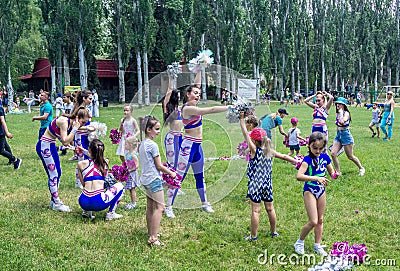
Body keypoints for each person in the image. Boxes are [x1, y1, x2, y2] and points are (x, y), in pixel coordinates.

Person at [166, 67, 230, 217]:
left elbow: (197, 85)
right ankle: (169, 206)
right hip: (188, 147)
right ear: (187, 95)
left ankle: (204, 203)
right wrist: (230, 107)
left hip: (197, 147)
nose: (198, 96)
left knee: (199, 176)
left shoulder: (193, 105)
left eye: (199, 95)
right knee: (178, 176)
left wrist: (200, 69)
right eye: (195, 94)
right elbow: (211, 110)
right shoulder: (187, 109)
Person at [239, 112, 297, 241]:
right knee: (270, 208)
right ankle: (273, 232)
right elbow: (284, 156)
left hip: (255, 184)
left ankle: (253, 236)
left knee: (256, 210)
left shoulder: (254, 150)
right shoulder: (270, 151)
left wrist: (242, 119)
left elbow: (244, 133)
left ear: (254, 140)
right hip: (267, 183)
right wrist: (297, 162)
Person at [36, 106, 89, 212]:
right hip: (45, 146)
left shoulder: (71, 123)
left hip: (49, 145)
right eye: (83, 122)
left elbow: (69, 140)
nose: (82, 124)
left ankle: (53, 200)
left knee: (57, 173)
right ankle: (56, 203)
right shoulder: (64, 122)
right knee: (54, 174)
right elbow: (65, 141)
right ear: (77, 118)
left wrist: (89, 128)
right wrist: (75, 129)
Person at [294, 132, 337, 256]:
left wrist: (335, 174)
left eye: (320, 148)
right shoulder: (307, 160)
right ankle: (299, 242)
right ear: (309, 146)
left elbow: (331, 172)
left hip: (321, 191)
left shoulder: (325, 158)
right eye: (314, 148)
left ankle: (317, 245)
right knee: (313, 221)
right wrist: (316, 178)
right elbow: (299, 176)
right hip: (310, 191)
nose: (317, 151)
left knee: (320, 220)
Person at [139, 116, 176, 246]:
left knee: (150, 207)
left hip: (145, 179)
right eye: (156, 129)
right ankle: (153, 237)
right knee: (160, 207)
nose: (158, 131)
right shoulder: (153, 145)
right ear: (148, 129)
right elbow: (159, 166)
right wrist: (171, 173)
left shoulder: (142, 143)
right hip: (154, 179)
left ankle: (151, 231)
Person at [77, 139, 124, 220]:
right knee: (120, 186)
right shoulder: (104, 164)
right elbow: (97, 158)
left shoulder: (80, 164)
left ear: (89, 150)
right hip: (99, 203)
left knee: (87, 188)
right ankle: (111, 213)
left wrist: (84, 151)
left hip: (83, 202)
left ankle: (87, 211)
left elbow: (84, 184)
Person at [162, 72, 184, 218]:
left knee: (180, 163)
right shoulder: (167, 108)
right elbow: (168, 94)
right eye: (179, 94)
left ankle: (174, 183)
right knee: (172, 163)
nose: (181, 96)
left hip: (181, 137)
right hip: (172, 138)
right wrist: (171, 77)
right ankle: (169, 182)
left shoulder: (181, 108)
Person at [330, 97, 365, 176]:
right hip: (339, 135)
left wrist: (341, 113)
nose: (337, 105)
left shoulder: (346, 113)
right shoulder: (337, 113)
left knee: (350, 156)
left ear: (343, 105)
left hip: (346, 135)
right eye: (337, 103)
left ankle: (361, 168)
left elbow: (342, 121)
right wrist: (337, 136)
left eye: (339, 104)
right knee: (333, 153)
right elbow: (338, 126)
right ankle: (338, 172)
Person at [0, 102, 22, 169]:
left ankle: (15, 160)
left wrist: (7, 132)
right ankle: (11, 160)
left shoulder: (0, 109)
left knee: (1, 150)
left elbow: (2, 121)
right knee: (6, 146)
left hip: (0, 132)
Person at [124, 136, 140, 210]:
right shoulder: (128, 153)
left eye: (126, 144)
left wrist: (130, 170)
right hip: (129, 173)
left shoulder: (133, 155)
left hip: (132, 174)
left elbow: (137, 165)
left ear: (130, 145)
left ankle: (134, 203)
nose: (124, 145)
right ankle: (132, 202)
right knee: (130, 189)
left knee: (132, 189)